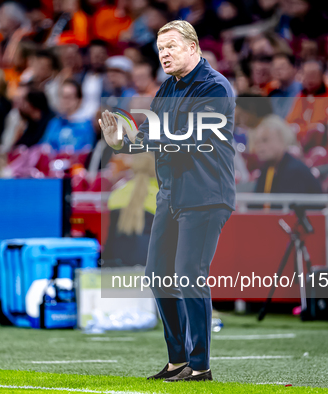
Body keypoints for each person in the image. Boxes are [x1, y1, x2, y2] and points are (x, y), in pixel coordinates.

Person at [99, 20, 235, 382]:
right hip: (172, 194)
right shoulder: (168, 89)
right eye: (161, 48)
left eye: (172, 46)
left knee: (190, 274)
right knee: (158, 273)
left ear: (193, 47)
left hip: (205, 194)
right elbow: (147, 135)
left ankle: (200, 365)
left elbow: (189, 138)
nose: (164, 54)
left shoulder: (214, 87)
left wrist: (144, 139)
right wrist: (122, 144)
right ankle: (177, 361)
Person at [254, 115, 322, 194]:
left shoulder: (295, 171)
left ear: (282, 139)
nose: (259, 146)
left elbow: (286, 205)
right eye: (257, 142)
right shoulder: (267, 169)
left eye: (265, 140)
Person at [41, 79, 94, 152]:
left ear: (79, 99)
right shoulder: (54, 123)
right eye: (62, 97)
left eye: (69, 97)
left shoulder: (86, 125)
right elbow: (44, 147)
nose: (65, 101)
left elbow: (86, 150)